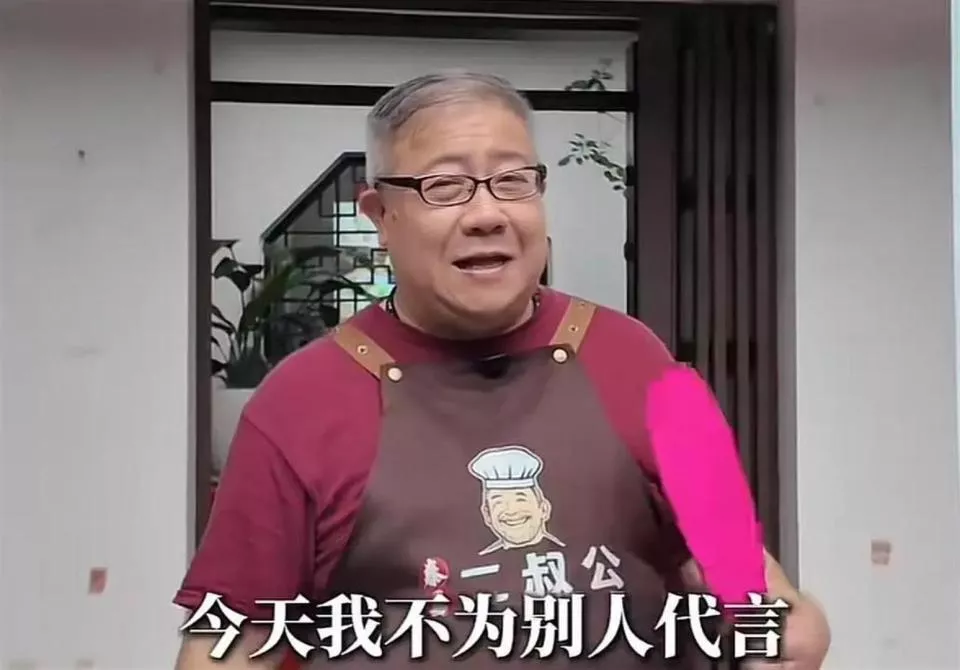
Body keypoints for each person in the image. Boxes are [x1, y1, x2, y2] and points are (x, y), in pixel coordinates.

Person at [174, 71, 830, 669]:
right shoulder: (301, 401)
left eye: (513, 181)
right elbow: (229, 643)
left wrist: (786, 631)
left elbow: (747, 582)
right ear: (380, 216)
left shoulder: (637, 359)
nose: (487, 215)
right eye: (445, 187)